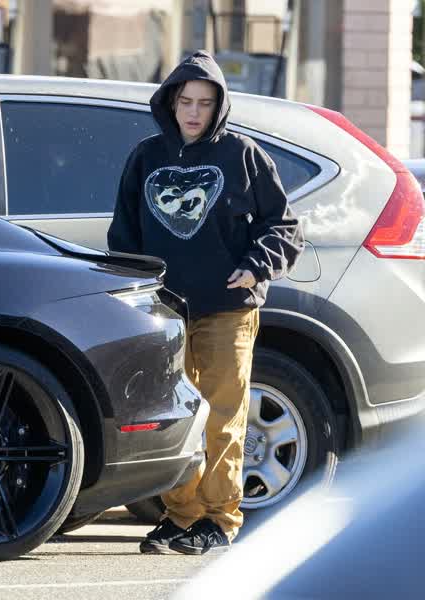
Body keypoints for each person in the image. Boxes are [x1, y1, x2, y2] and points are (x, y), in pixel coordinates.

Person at [107, 50, 304, 555]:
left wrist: (256, 265)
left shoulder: (242, 155)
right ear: (171, 103)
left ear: (219, 106)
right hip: (165, 312)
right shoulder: (146, 157)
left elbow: (284, 226)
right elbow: (124, 234)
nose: (194, 112)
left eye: (205, 103)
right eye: (186, 101)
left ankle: (220, 519)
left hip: (227, 309)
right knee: (173, 415)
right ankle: (181, 516)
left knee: (221, 417)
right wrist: (134, 290)